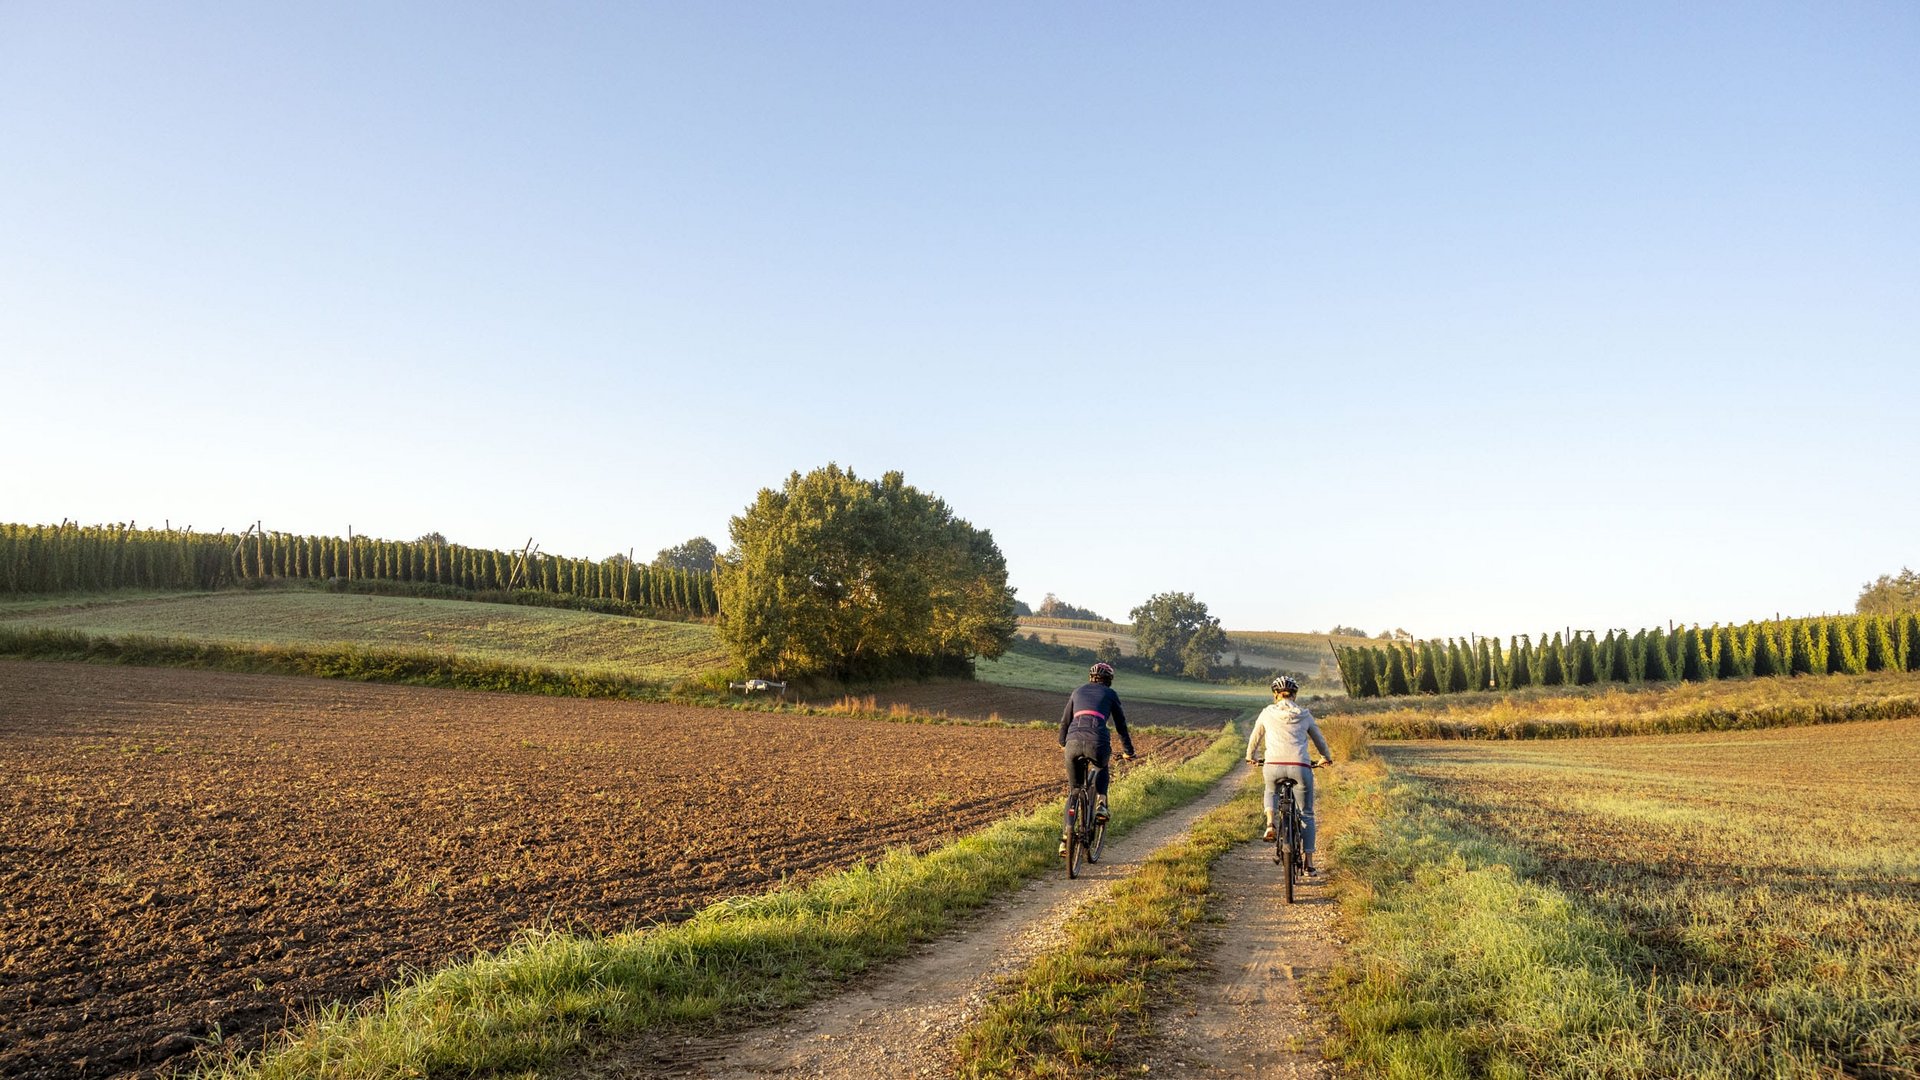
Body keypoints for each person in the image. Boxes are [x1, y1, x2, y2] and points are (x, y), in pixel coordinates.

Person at [1246, 674, 1334, 873]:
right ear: (1294, 695)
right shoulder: (1304, 714)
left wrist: (1250, 755)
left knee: (1271, 790)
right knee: (1307, 814)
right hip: (1300, 766)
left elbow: (1255, 736)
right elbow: (1319, 740)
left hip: (1273, 764)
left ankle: (1270, 823)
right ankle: (1309, 862)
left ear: (1275, 695)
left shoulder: (1267, 713)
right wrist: (1325, 758)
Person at [1058, 661, 1135, 856]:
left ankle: (1065, 839)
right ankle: (1101, 803)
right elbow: (1121, 726)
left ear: (1090, 678)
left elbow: (1065, 721)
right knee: (1101, 765)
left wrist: (1062, 743)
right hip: (1097, 741)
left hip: (1072, 741)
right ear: (1109, 680)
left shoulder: (1077, 691)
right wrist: (1128, 751)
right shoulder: (1110, 694)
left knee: (1074, 790)